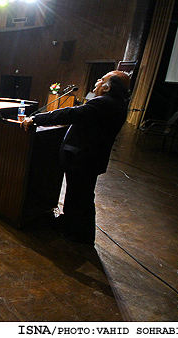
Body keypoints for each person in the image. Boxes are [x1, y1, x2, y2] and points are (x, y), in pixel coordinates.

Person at [21, 71, 131, 246]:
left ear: (107, 87)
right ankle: (70, 224)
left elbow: (70, 113)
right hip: (91, 158)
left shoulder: (104, 102)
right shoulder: (118, 104)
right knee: (79, 195)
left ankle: (78, 235)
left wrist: (36, 119)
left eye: (101, 79)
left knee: (80, 197)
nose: (97, 81)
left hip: (83, 158)